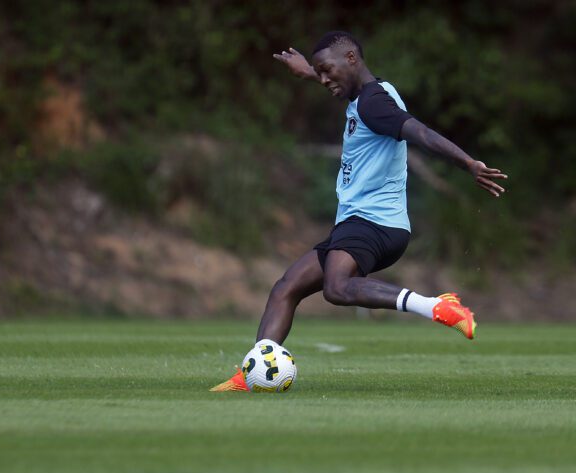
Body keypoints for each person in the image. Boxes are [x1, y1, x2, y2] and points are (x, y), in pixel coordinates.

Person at [211, 31, 508, 392]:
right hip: (362, 222)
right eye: (319, 74)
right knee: (286, 288)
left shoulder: (374, 104)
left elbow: (421, 133)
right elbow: (348, 88)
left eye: (327, 71)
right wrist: (309, 71)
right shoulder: (366, 95)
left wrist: (468, 163)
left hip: (374, 222)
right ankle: (252, 372)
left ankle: (434, 306)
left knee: (336, 288)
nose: (324, 79)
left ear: (351, 58)